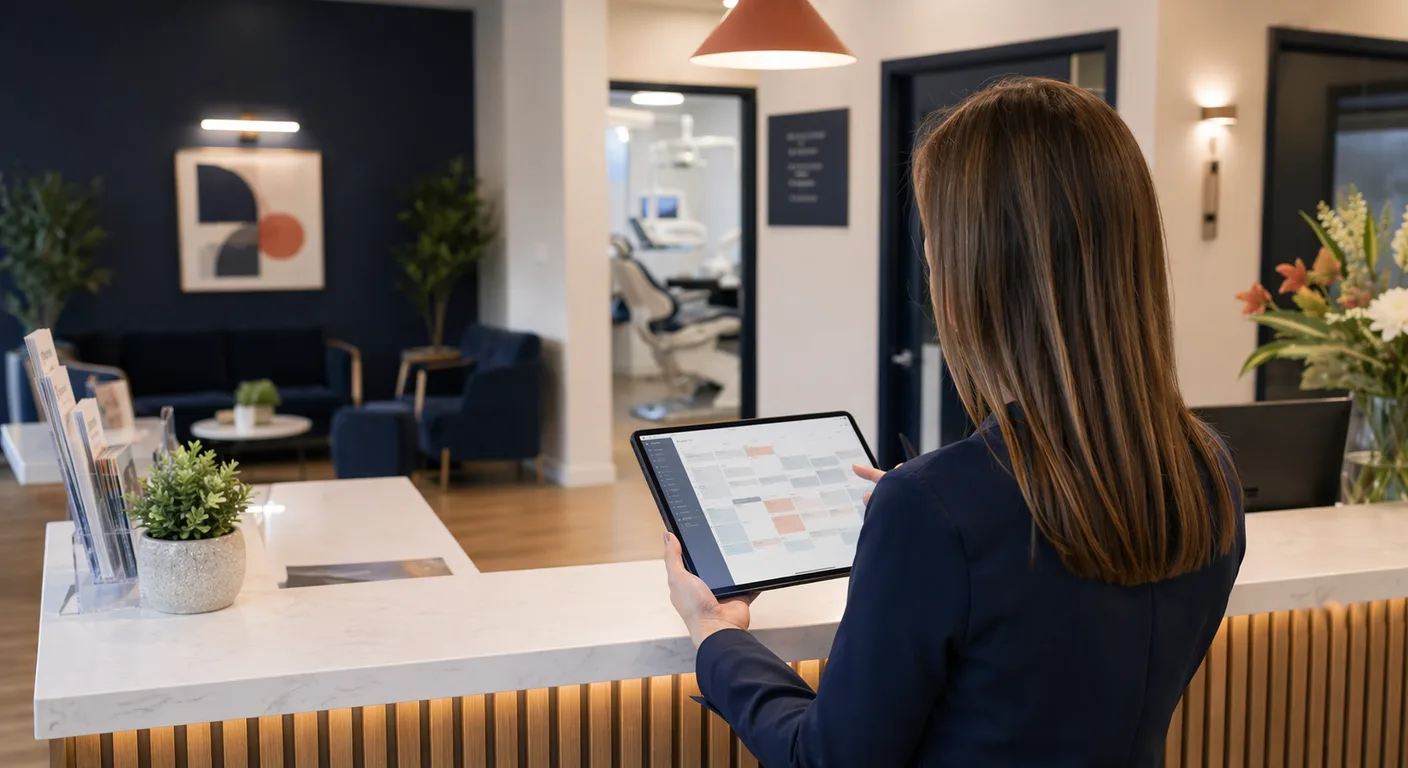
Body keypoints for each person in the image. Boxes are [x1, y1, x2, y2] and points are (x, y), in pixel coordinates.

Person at [662, 77, 1245, 767]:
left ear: (978, 269)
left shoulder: (938, 511)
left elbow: (829, 757)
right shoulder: (1204, 467)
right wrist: (929, 511)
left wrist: (716, 637)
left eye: (936, 240)